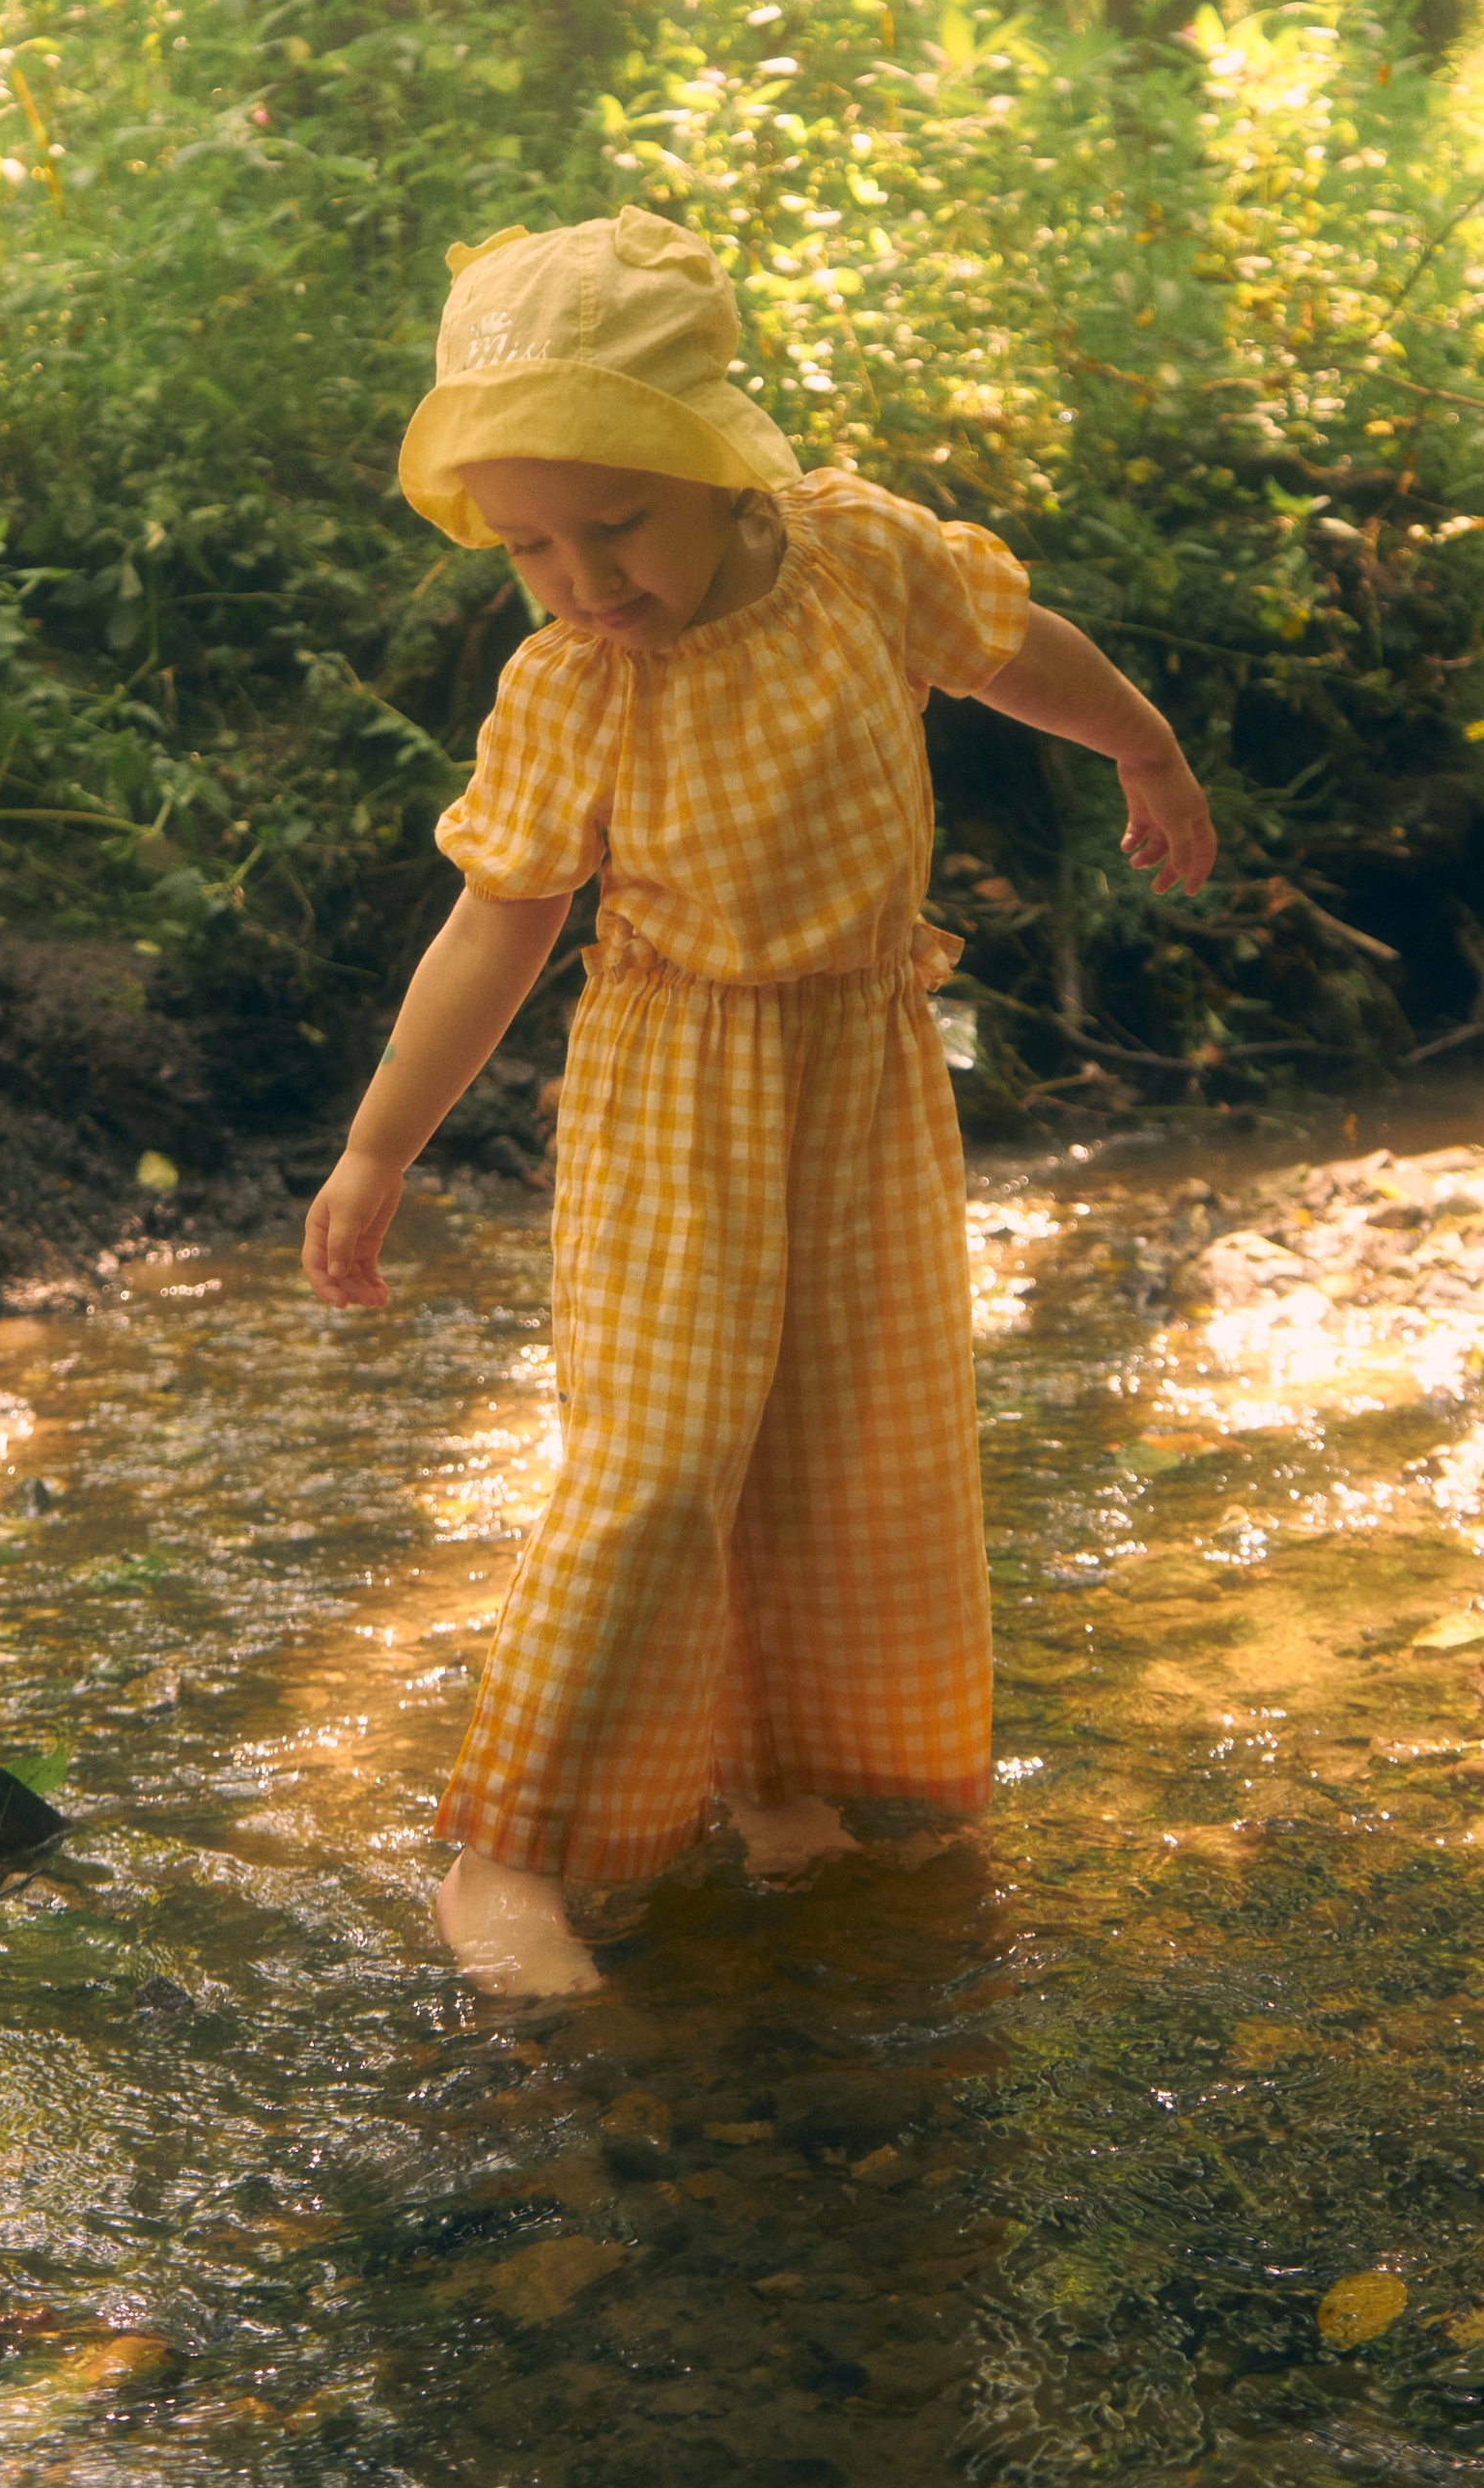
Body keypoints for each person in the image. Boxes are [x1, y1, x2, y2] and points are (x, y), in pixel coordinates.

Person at [302, 209, 1215, 1995]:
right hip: (676, 1087)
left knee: (842, 1436)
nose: (579, 577)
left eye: (614, 523)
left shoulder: (864, 558)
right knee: (652, 1466)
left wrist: (1147, 749)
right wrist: (376, 1146)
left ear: (716, 468)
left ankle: (783, 1774)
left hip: (860, 1063)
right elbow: (498, 926)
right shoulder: (574, 685)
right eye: (530, 547)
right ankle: (512, 1851)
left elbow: (1014, 644)